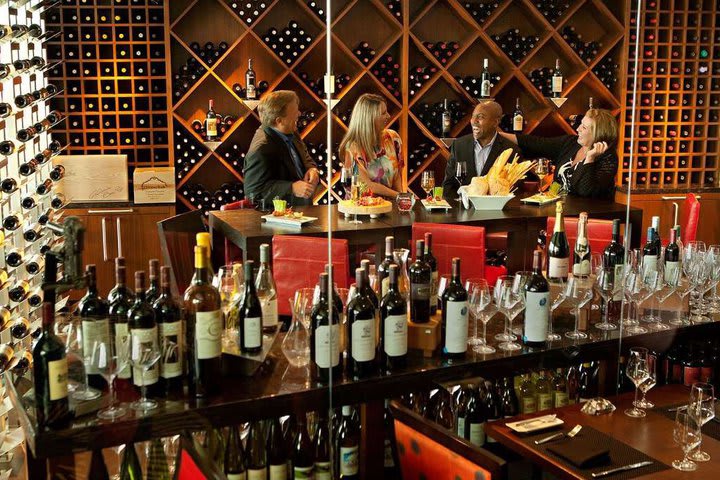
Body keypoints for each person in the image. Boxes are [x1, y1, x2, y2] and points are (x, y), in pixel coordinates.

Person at [497, 108, 619, 199]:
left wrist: (590, 158)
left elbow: (585, 191)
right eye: (580, 124)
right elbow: (536, 143)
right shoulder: (571, 143)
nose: (578, 129)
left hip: (585, 218)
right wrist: (498, 135)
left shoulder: (608, 158)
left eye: (584, 127)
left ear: (598, 134)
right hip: (557, 210)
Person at [243, 90, 320, 206]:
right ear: (279, 121)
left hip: (301, 215)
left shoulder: (291, 130)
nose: (299, 114)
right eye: (294, 111)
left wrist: (312, 169)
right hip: (279, 219)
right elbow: (253, 192)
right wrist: (291, 188)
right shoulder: (261, 149)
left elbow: (305, 156)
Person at [442, 101, 521, 200]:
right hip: (463, 212)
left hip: (496, 213)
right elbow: (448, 187)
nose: (474, 121)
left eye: (480, 117)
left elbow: (514, 191)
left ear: (495, 122)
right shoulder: (459, 145)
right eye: (473, 116)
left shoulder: (511, 151)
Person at [339, 93, 405, 198]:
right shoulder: (353, 147)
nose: (388, 116)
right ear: (370, 118)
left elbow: (397, 176)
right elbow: (367, 186)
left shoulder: (393, 138)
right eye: (383, 113)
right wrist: (400, 196)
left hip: (389, 205)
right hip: (362, 208)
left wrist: (400, 202)